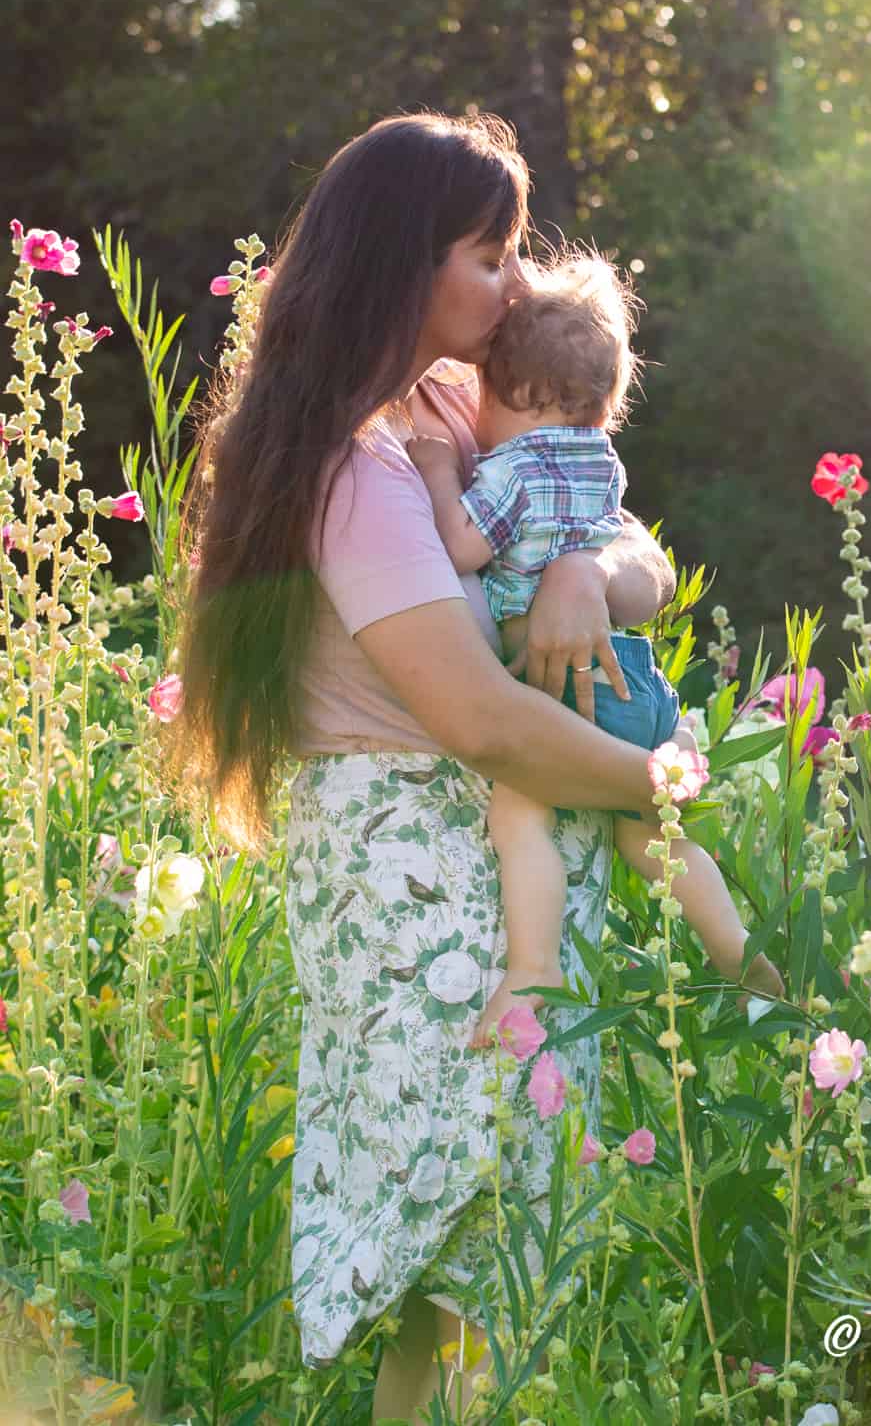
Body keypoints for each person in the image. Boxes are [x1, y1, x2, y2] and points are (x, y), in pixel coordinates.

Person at [165, 110, 682, 1422]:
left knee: (470, 1286)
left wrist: (581, 565)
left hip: (469, 866)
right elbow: (480, 719)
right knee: (467, 1262)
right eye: (491, 252)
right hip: (414, 888)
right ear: (410, 262)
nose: (517, 284)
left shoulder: (445, 411)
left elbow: (643, 556)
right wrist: (656, 790)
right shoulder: (357, 468)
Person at [408, 248, 785, 1051]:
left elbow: (463, 547)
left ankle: (532, 968)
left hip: (572, 688)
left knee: (519, 818)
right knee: (652, 838)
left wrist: (440, 469)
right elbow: (632, 556)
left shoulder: (512, 468)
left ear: (531, 398)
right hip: (635, 680)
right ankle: (743, 959)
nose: (479, 417)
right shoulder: (600, 463)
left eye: (489, 398)